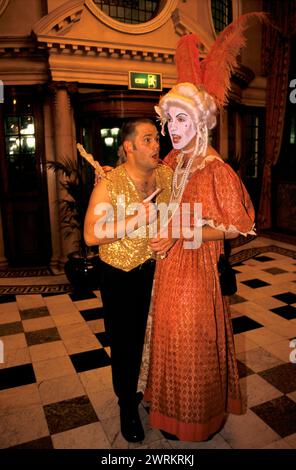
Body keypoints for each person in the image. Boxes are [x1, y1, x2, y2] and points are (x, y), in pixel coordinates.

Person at [141, 25, 257, 442]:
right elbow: (158, 201)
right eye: (169, 119)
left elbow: (237, 227)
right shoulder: (174, 159)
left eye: (182, 118)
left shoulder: (215, 169)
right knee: (169, 338)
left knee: (191, 342)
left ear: (202, 121)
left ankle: (195, 420)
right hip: (167, 266)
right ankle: (167, 408)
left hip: (195, 270)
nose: (172, 127)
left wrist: (179, 232)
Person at [84, 118, 172, 443]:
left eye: (156, 139)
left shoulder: (166, 174)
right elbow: (91, 235)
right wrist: (136, 219)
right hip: (120, 275)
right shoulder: (109, 183)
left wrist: (173, 238)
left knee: (157, 339)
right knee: (126, 344)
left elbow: (179, 214)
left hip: (159, 270)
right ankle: (127, 405)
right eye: (147, 139)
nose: (155, 145)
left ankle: (153, 396)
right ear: (128, 146)